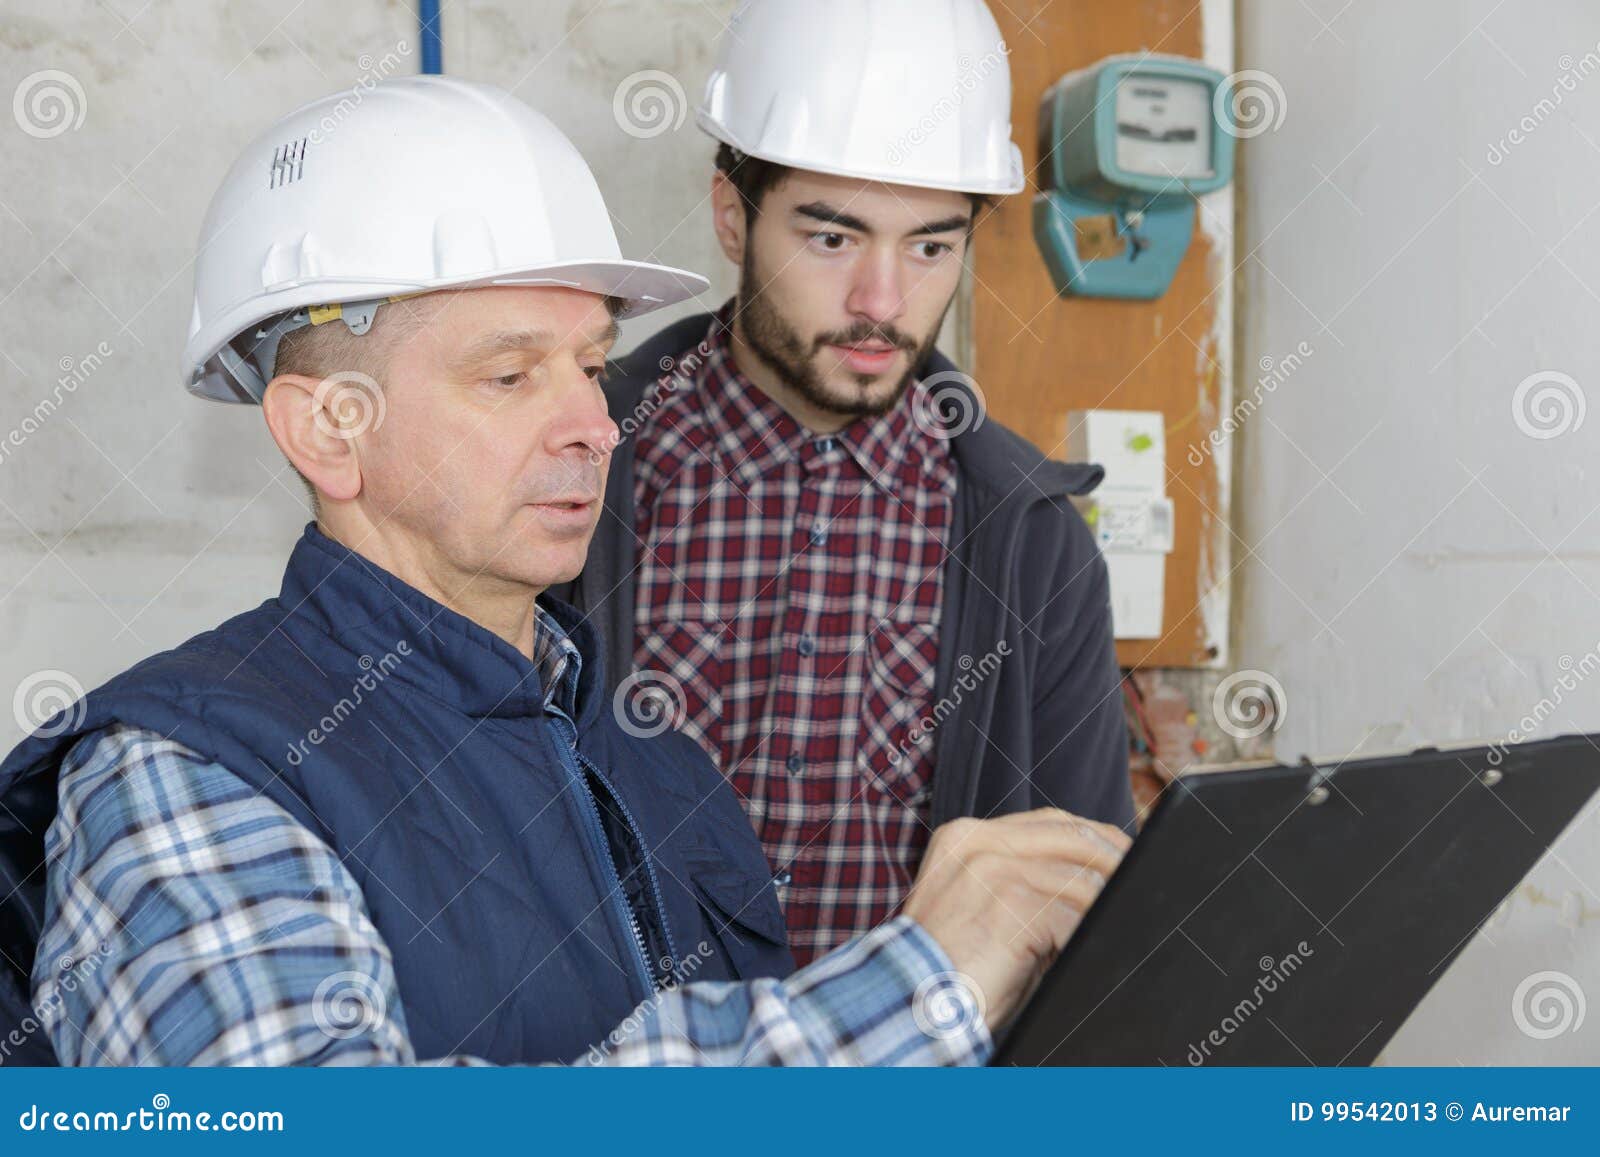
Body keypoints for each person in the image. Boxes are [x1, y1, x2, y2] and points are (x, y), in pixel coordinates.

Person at [0, 77, 1129, 1068]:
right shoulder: (186, 771)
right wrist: (917, 988)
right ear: (330, 429)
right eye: (510, 376)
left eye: (591, 364)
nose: (595, 422)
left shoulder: (656, 767)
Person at [549, 0, 1134, 965]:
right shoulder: (574, 467)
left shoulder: (1033, 545)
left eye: (931, 246)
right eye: (832, 238)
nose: (882, 301)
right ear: (732, 215)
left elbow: (1087, 922)